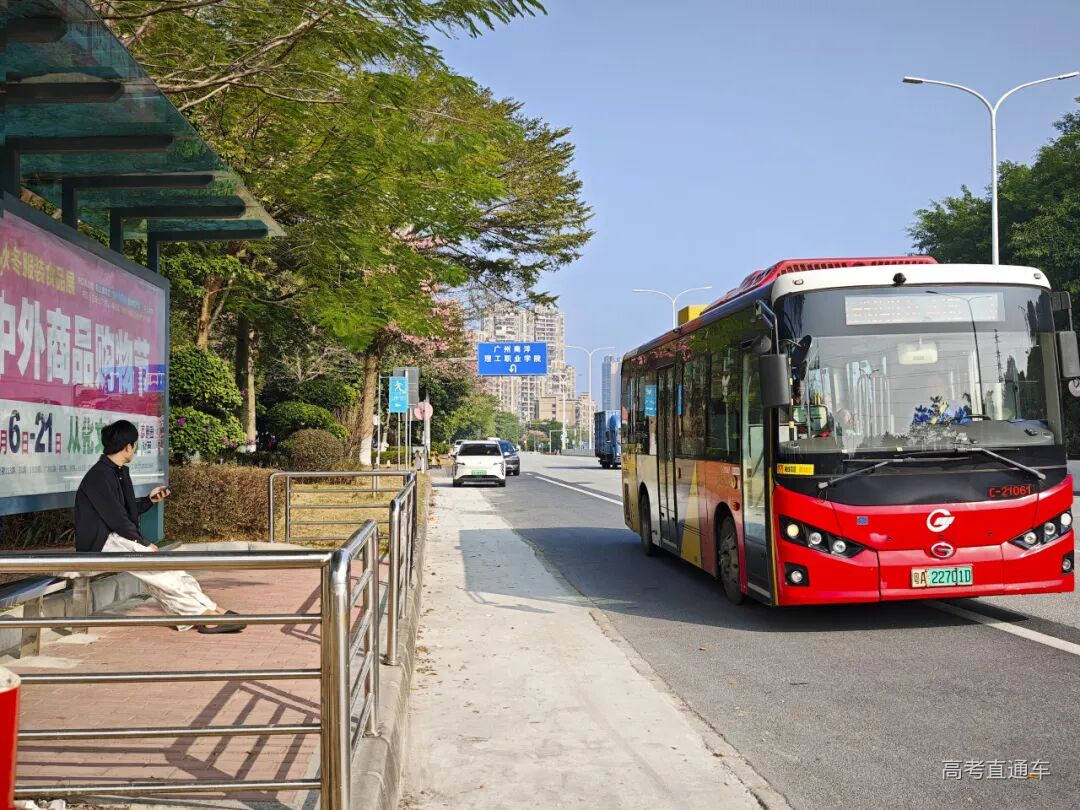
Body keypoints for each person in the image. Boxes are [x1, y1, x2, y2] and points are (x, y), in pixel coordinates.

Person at [74, 420, 245, 634]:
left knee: (169, 571)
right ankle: (203, 615)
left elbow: (124, 513)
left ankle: (209, 608)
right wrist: (143, 543)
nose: (135, 449)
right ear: (127, 446)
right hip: (101, 543)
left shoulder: (117, 472)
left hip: (116, 539)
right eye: (134, 445)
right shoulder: (99, 476)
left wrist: (149, 501)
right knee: (162, 573)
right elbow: (117, 519)